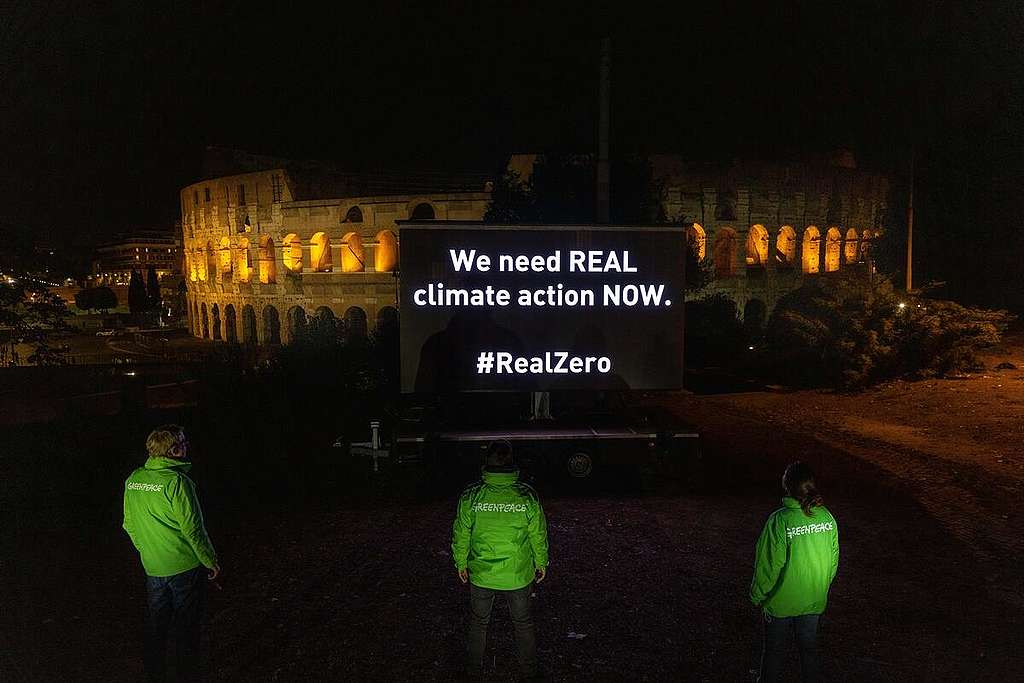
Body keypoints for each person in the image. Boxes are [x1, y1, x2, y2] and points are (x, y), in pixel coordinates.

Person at [123, 425, 220, 682]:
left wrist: (148, 551)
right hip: (184, 567)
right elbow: (193, 530)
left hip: (153, 568)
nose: (187, 446)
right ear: (174, 449)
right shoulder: (178, 483)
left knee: (157, 625)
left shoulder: (133, 479)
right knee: (187, 626)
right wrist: (210, 561)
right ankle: (187, 675)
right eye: (184, 442)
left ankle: (154, 673)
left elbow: (129, 524)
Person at [452, 440, 549, 680]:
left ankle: (472, 672)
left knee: (479, 622)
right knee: (523, 622)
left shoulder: (471, 495)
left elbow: (461, 533)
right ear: (511, 463)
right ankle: (530, 672)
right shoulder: (526, 495)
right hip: (517, 574)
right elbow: (538, 534)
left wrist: (461, 563)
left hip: (482, 573)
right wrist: (541, 563)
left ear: (487, 463)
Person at [750, 462, 839, 683]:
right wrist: (821, 587)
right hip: (813, 599)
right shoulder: (827, 518)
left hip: (781, 602)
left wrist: (758, 595)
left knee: (774, 653)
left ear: (787, 486)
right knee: (808, 649)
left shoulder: (780, 520)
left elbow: (769, 565)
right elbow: (833, 559)